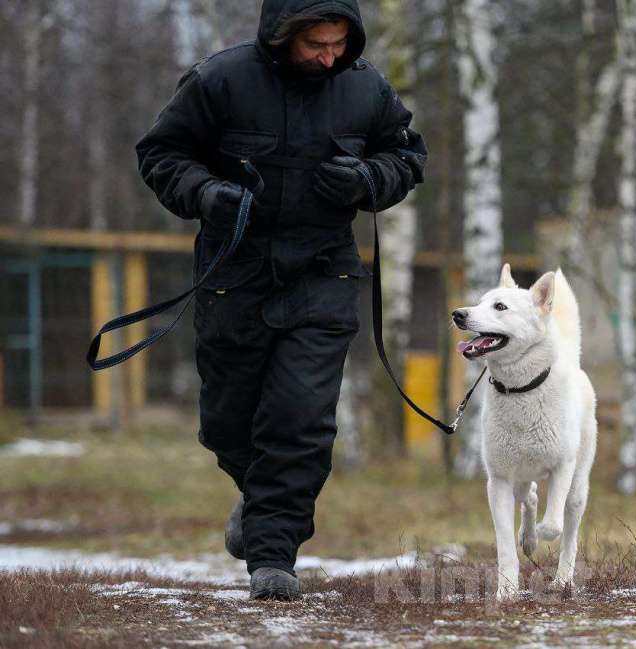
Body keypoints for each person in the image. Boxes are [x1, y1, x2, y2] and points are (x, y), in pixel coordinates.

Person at [135, 0, 427, 601]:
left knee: (300, 421)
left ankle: (273, 558)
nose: (330, 57)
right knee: (226, 424)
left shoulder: (365, 87)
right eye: (316, 44)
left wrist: (369, 179)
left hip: (322, 276)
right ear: (282, 35)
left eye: (339, 44)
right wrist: (207, 193)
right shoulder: (219, 80)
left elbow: (407, 157)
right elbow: (160, 155)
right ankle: (263, 502)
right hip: (232, 277)